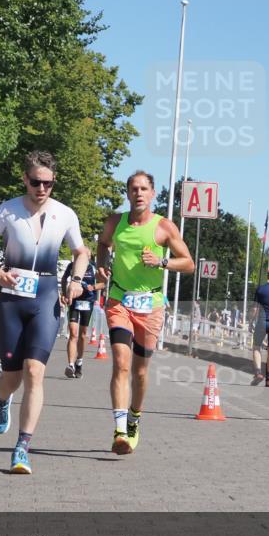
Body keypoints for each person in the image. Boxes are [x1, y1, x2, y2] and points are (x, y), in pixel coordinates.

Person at [0, 151, 90, 474]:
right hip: (11, 298)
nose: (41, 189)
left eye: (48, 184)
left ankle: (22, 447)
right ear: (25, 179)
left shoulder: (65, 214)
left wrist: (76, 280)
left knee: (34, 371)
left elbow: (82, 251)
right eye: (36, 182)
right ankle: (1, 398)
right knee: (11, 376)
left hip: (46, 297)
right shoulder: (8, 210)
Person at [96, 170, 194, 455]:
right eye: (133, 188)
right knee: (121, 363)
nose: (138, 193)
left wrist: (162, 261)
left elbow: (188, 263)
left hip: (150, 306)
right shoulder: (116, 222)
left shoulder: (164, 227)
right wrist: (102, 265)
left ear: (152, 194)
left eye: (144, 189)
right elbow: (103, 244)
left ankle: (135, 417)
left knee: (139, 372)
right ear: (127, 193)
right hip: (119, 300)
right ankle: (119, 430)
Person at [59, 258, 105, 378]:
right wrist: (64, 294)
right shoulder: (72, 266)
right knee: (73, 333)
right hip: (74, 301)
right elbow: (64, 279)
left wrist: (93, 287)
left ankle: (79, 362)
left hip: (87, 302)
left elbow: (103, 283)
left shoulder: (93, 267)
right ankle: (70, 365)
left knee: (83, 335)